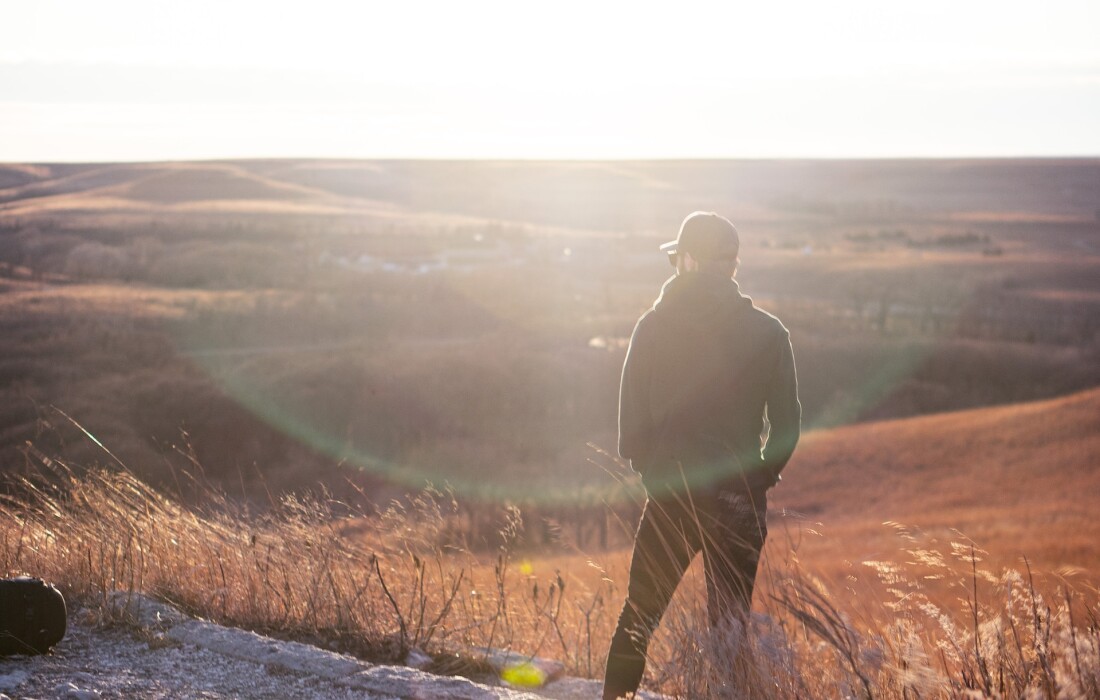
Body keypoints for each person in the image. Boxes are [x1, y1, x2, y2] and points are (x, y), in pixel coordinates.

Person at [602, 212, 801, 699]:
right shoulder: (770, 333)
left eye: (676, 257)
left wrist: (656, 475)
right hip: (739, 502)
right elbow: (788, 427)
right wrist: (755, 481)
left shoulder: (652, 328)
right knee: (729, 629)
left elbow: (630, 429)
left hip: (671, 494)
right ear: (730, 265)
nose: (673, 265)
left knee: (639, 615)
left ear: (689, 261)